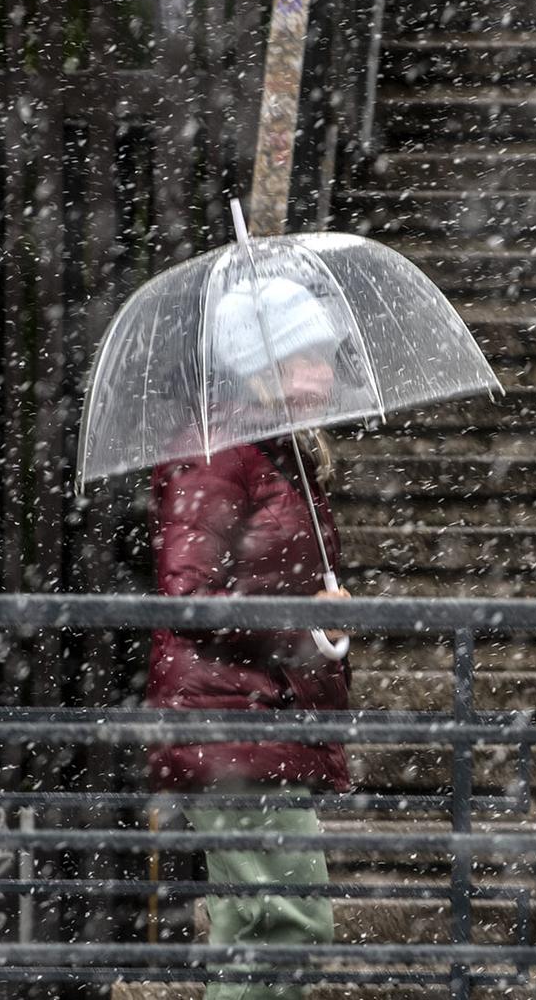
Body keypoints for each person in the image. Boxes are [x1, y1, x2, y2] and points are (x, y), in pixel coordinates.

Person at [147, 277, 352, 1000]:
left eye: (326, 357)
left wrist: (318, 626)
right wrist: (304, 626)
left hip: (258, 717)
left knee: (254, 929)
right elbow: (189, 596)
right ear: (257, 368)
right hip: (232, 720)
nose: (323, 375)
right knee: (287, 924)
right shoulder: (220, 453)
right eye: (303, 359)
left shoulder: (278, 456)